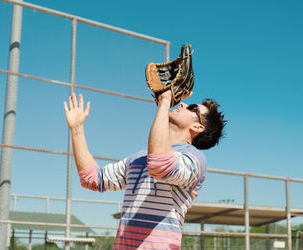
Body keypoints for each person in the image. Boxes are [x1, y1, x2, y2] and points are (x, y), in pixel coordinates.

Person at [63, 90, 226, 250]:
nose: (182, 104)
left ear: (198, 127)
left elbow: (160, 164)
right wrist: (77, 129)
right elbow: (92, 178)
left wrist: (164, 102)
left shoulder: (194, 159)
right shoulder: (139, 157)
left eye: (192, 107)